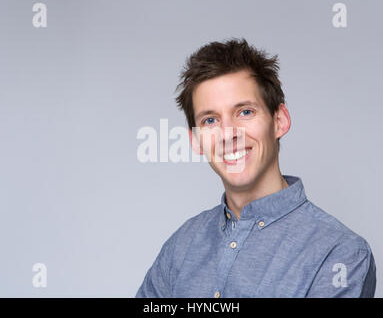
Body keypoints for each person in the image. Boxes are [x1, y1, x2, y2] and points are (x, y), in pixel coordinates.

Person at [135, 38, 376, 297]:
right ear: (196, 140)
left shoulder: (341, 254)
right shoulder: (180, 247)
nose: (228, 134)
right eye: (210, 120)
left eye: (245, 112)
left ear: (279, 121)